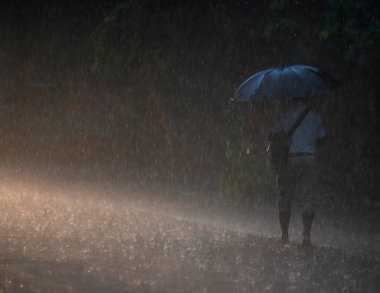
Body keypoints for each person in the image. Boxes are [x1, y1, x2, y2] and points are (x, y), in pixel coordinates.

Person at [269, 97, 325, 247]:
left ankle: (284, 235)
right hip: (309, 159)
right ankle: (306, 235)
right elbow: (321, 140)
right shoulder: (315, 115)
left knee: (285, 196)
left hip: (289, 159)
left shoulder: (284, 114)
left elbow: (272, 136)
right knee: (308, 198)